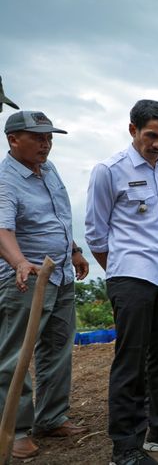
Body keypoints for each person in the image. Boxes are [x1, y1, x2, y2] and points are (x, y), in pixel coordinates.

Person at [85, 100, 158, 464]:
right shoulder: (109, 170)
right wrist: (119, 270)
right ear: (132, 129)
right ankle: (127, 446)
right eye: (151, 135)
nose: (156, 143)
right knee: (130, 362)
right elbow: (95, 231)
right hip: (131, 276)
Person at [0, 111, 88, 459]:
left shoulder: (48, 170)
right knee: (15, 356)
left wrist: (76, 250)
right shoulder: (5, 179)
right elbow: (2, 230)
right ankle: (15, 428)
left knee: (57, 348)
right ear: (12, 140)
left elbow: (59, 217)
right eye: (37, 137)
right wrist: (20, 262)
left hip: (61, 274)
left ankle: (51, 417)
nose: (46, 143)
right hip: (27, 280)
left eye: (49, 137)